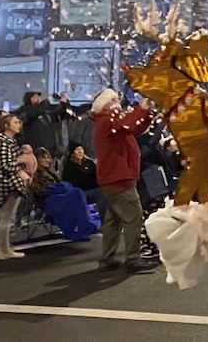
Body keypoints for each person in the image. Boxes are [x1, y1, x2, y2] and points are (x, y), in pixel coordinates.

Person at [91, 89, 159, 273]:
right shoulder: (107, 122)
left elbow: (134, 127)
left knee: (113, 220)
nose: (119, 103)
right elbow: (126, 125)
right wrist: (140, 109)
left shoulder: (109, 123)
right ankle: (133, 257)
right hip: (119, 177)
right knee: (134, 216)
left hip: (115, 177)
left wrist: (146, 114)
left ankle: (108, 257)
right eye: (115, 100)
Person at [0, 114, 29, 259]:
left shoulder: (8, 141)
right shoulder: (3, 142)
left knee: (5, 218)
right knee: (6, 218)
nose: (19, 124)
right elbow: (5, 165)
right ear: (6, 126)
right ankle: (4, 250)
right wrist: (20, 162)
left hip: (8, 182)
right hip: (8, 183)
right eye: (15, 122)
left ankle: (3, 249)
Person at [14, 92, 72, 158]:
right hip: (33, 150)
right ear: (29, 99)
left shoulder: (45, 112)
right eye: (35, 97)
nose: (38, 99)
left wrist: (63, 103)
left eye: (38, 97)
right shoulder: (24, 111)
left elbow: (60, 116)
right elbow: (32, 114)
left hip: (49, 150)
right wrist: (46, 101)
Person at [62, 143, 103, 210]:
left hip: (94, 188)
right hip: (80, 193)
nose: (80, 151)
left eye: (81, 149)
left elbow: (97, 173)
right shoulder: (69, 167)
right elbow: (76, 183)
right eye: (77, 149)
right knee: (101, 193)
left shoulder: (88, 162)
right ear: (72, 153)